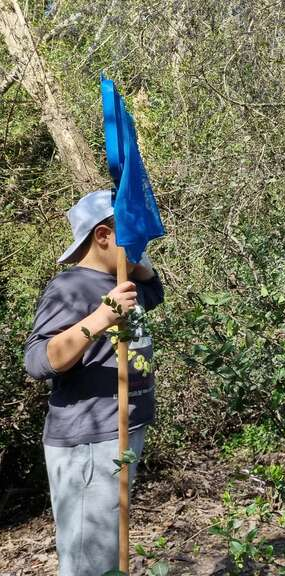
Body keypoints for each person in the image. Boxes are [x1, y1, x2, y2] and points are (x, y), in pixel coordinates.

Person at [23, 189, 164, 576]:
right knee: (90, 562)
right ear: (103, 236)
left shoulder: (119, 280)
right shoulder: (71, 287)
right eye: (130, 234)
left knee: (107, 553)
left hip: (121, 430)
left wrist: (137, 261)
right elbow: (37, 361)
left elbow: (154, 292)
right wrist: (101, 317)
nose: (140, 242)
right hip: (88, 441)